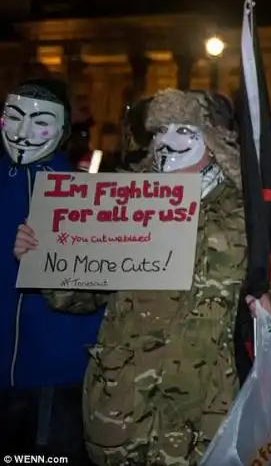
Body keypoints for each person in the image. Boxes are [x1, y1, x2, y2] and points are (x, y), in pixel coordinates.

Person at [14, 89, 246, 465]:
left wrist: (270, 305)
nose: (167, 142)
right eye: (159, 131)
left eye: (183, 130)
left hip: (208, 408)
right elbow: (79, 296)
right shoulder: (122, 200)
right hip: (125, 406)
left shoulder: (247, 209)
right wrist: (44, 256)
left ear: (215, 139)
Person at [1, 79, 104, 462]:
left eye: (40, 122)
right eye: (13, 117)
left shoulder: (87, 196)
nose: (24, 132)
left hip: (57, 373)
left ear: (62, 130)